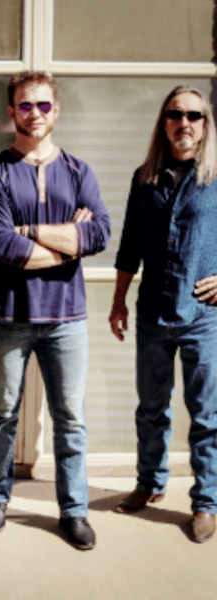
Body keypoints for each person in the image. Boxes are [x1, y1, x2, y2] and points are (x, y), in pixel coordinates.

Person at [0, 71, 111, 550]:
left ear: (57, 110)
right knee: (2, 414)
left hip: (67, 319)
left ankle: (74, 510)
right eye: (26, 105)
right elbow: (1, 247)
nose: (35, 113)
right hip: (6, 318)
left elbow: (99, 234)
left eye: (44, 105)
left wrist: (28, 230)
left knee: (70, 419)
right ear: (12, 111)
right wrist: (66, 242)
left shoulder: (79, 171)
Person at [109, 85, 217, 543]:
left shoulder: (215, 176)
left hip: (203, 316)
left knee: (206, 414)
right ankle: (150, 482)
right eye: (175, 114)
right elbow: (130, 245)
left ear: (205, 124)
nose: (184, 123)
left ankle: (207, 502)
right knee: (151, 408)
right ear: (164, 123)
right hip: (152, 311)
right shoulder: (145, 178)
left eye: (193, 115)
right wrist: (118, 300)